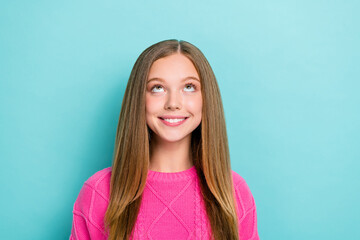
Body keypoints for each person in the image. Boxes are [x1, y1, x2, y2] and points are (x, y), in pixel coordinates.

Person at [69, 39, 259, 240]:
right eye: (158, 88)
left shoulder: (233, 191)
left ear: (206, 98)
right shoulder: (100, 191)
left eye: (189, 86)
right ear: (139, 99)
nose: (173, 103)